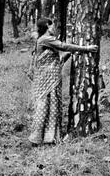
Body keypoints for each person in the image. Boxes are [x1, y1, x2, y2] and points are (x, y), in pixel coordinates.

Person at [29, 18, 98, 146]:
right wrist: (86, 48)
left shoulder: (46, 40)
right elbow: (63, 46)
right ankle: (37, 138)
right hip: (45, 80)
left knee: (52, 106)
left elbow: (57, 58)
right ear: (47, 26)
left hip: (51, 79)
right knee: (43, 106)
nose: (55, 28)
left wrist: (72, 51)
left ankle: (49, 138)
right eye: (53, 25)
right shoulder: (45, 39)